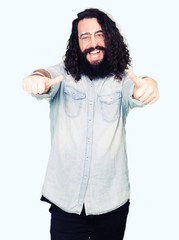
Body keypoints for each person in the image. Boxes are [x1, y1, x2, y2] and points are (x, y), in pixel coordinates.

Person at [22, 8, 159, 240]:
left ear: (110, 37)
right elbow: (45, 75)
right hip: (66, 204)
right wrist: (37, 78)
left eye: (99, 34)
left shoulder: (122, 80)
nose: (93, 43)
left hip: (112, 202)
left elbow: (139, 86)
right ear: (77, 44)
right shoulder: (62, 75)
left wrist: (150, 84)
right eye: (85, 37)